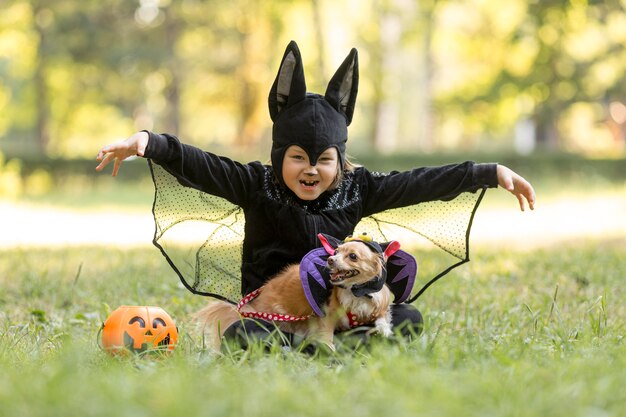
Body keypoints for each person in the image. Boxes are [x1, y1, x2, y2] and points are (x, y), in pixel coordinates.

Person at [96, 41, 535, 350]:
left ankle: (338, 343)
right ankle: (299, 345)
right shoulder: (255, 184)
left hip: (339, 312)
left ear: (340, 161)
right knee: (245, 337)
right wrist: (149, 142)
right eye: (298, 158)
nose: (310, 170)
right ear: (278, 156)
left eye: (323, 159)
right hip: (274, 313)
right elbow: (201, 163)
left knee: (408, 320)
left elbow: (418, 182)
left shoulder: (357, 189)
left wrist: (487, 172)